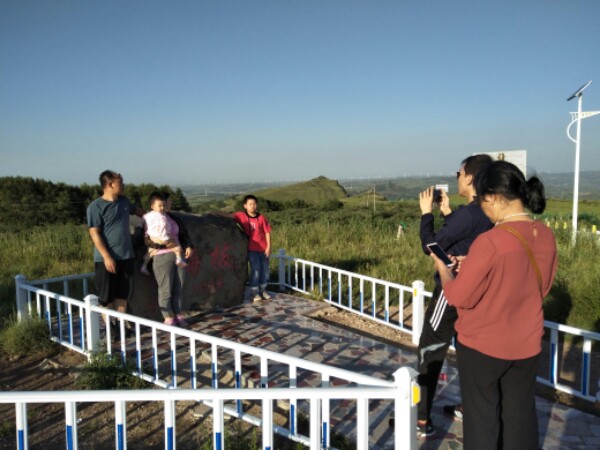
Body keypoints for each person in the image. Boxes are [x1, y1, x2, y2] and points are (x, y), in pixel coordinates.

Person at [431, 160, 558, 450]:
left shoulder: (491, 241)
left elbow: (459, 296)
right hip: (526, 345)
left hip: (483, 347)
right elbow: (542, 286)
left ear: (493, 197)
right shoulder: (546, 235)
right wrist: (473, 265)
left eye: (482, 199)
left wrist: (444, 268)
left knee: (482, 419)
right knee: (520, 416)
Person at [414, 154, 494, 438]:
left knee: (429, 349)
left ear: (471, 178)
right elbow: (468, 239)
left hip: (452, 291)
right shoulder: (489, 211)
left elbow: (430, 246)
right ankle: (471, 408)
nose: (457, 177)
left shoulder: (468, 214)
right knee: (470, 351)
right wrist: (448, 213)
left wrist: (427, 213)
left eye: (459, 173)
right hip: (478, 293)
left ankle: (421, 419)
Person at [86, 170, 144, 322]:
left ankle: (121, 325)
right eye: (121, 182)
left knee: (122, 294)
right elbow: (94, 233)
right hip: (107, 258)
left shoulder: (124, 202)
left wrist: (160, 218)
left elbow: (140, 213)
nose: (123, 185)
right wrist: (106, 256)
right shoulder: (95, 207)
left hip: (126, 255)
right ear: (110, 184)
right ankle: (110, 328)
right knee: (106, 297)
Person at [143, 192, 194, 326]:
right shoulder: (150, 219)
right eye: (164, 203)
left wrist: (188, 245)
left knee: (179, 286)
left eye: (166, 204)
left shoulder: (173, 218)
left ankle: (178, 314)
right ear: (154, 205)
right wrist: (162, 244)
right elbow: (145, 239)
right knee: (165, 288)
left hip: (178, 254)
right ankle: (168, 317)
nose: (166, 206)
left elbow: (183, 233)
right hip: (161, 255)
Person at [233, 195, 272, 302]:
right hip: (251, 249)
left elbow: (267, 232)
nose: (253, 206)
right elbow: (229, 217)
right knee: (256, 270)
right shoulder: (241, 216)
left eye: (254, 204)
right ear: (245, 206)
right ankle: (254, 293)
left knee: (265, 271)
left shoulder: (261, 218)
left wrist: (268, 247)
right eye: (250, 204)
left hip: (263, 249)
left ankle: (263, 290)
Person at [140, 193, 187, 276]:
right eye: (160, 206)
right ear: (152, 206)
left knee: (151, 252)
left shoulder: (148, 216)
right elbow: (166, 227)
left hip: (153, 237)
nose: (162, 208)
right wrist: (168, 236)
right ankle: (179, 259)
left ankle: (144, 266)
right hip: (162, 238)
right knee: (176, 246)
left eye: (163, 205)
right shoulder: (163, 217)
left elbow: (143, 220)